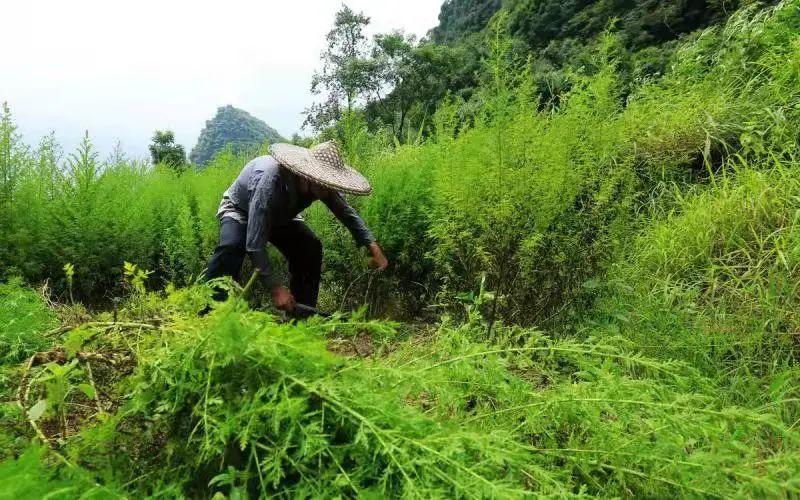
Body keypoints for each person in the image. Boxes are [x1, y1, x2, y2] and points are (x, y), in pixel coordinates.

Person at [203, 140, 388, 312]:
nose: (327, 191)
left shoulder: (322, 187)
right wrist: (275, 288)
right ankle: (210, 312)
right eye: (324, 184)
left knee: (310, 247)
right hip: (241, 209)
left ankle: (301, 319)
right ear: (308, 176)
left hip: (281, 216)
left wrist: (372, 246)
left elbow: (346, 212)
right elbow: (254, 244)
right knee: (231, 247)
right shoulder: (268, 183)